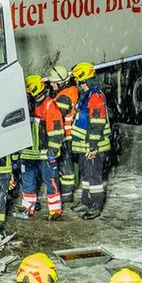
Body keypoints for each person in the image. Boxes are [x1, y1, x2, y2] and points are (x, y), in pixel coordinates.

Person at [15, 75, 64, 221]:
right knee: (28, 181)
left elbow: (57, 131)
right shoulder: (28, 105)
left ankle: (55, 210)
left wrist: (53, 151)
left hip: (44, 153)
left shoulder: (49, 105)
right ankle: (28, 207)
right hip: (29, 153)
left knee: (51, 181)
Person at [68, 62, 112, 220]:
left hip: (94, 146)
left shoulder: (95, 96)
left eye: (77, 80)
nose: (76, 83)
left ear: (81, 79)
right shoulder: (87, 96)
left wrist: (93, 146)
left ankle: (96, 206)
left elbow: (97, 123)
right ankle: (86, 201)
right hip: (85, 146)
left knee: (94, 178)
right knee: (87, 176)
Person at [47, 65, 79, 201]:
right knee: (69, 164)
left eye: (54, 82)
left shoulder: (64, 97)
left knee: (65, 165)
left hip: (66, 136)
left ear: (61, 82)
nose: (51, 84)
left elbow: (57, 118)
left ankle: (66, 193)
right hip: (71, 135)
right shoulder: (72, 90)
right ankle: (68, 190)